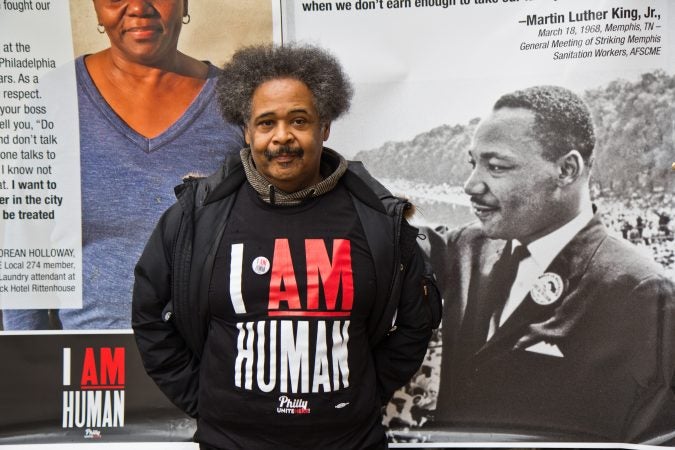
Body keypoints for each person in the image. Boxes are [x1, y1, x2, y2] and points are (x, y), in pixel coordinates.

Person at [132, 44, 435, 449]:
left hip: (348, 441)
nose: (282, 137)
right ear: (246, 131)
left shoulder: (377, 217)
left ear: (324, 127)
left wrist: (367, 392)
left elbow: (417, 321)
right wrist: (202, 398)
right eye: (266, 123)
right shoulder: (199, 215)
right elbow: (149, 313)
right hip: (231, 441)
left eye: (299, 120)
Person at [422, 86, 675, 442]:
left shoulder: (642, 293)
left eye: (496, 166)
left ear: (566, 169)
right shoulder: (467, 246)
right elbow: (379, 245)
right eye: (472, 163)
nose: (470, 185)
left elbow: (658, 443)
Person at [2, 0, 244, 329]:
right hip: (91, 368)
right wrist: (28, 366)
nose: (138, 7)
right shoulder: (45, 101)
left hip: (206, 364)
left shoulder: (239, 103)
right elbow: (24, 251)